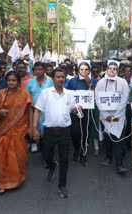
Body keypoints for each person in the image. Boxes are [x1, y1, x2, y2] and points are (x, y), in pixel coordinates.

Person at [32, 67, 80, 198]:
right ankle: (52, 166)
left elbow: (73, 110)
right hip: (49, 131)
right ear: (52, 78)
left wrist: (77, 109)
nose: (60, 79)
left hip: (65, 131)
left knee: (64, 159)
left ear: (65, 78)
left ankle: (62, 185)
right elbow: (37, 110)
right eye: (58, 77)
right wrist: (34, 128)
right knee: (46, 156)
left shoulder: (70, 94)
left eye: (63, 77)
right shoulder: (46, 93)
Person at [0, 71, 34, 194]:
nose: (11, 82)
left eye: (14, 80)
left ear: (18, 82)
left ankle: (17, 179)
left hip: (20, 129)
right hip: (4, 129)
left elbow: (31, 110)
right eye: (9, 80)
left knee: (18, 155)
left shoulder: (24, 94)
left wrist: (31, 127)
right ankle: (2, 182)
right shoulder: (1, 93)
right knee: (2, 152)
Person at [95, 61, 130, 173]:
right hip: (105, 117)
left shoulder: (123, 82)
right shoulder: (100, 83)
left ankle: (119, 165)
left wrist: (116, 116)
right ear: (106, 69)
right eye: (110, 68)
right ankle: (108, 158)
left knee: (117, 139)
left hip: (118, 117)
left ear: (118, 70)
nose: (112, 70)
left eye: (114, 68)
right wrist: (106, 116)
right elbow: (98, 100)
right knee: (108, 138)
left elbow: (124, 100)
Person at [67, 62, 97, 166]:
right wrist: (72, 108)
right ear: (78, 71)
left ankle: (83, 154)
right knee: (75, 133)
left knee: (86, 133)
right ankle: (76, 150)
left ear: (89, 71)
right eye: (82, 69)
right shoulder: (72, 81)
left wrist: (89, 84)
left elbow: (96, 95)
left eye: (86, 69)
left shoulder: (93, 81)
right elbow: (67, 95)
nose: (84, 72)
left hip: (87, 112)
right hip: (75, 112)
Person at [26, 62, 54, 153]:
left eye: (40, 69)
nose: (38, 72)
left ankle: (46, 153)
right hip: (34, 112)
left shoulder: (50, 81)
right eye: (36, 70)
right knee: (36, 130)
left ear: (45, 70)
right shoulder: (30, 82)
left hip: (47, 112)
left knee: (46, 134)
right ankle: (36, 144)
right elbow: (27, 98)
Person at [121, 65, 132, 151]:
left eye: (129, 71)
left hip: (131, 107)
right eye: (126, 71)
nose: (127, 73)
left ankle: (128, 143)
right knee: (122, 125)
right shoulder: (119, 83)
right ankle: (122, 143)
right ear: (122, 72)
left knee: (130, 127)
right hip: (122, 107)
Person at [90, 74, 103, 156]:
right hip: (95, 113)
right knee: (96, 129)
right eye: (97, 82)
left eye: (100, 81)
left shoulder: (107, 91)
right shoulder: (91, 92)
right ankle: (96, 148)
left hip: (106, 114)